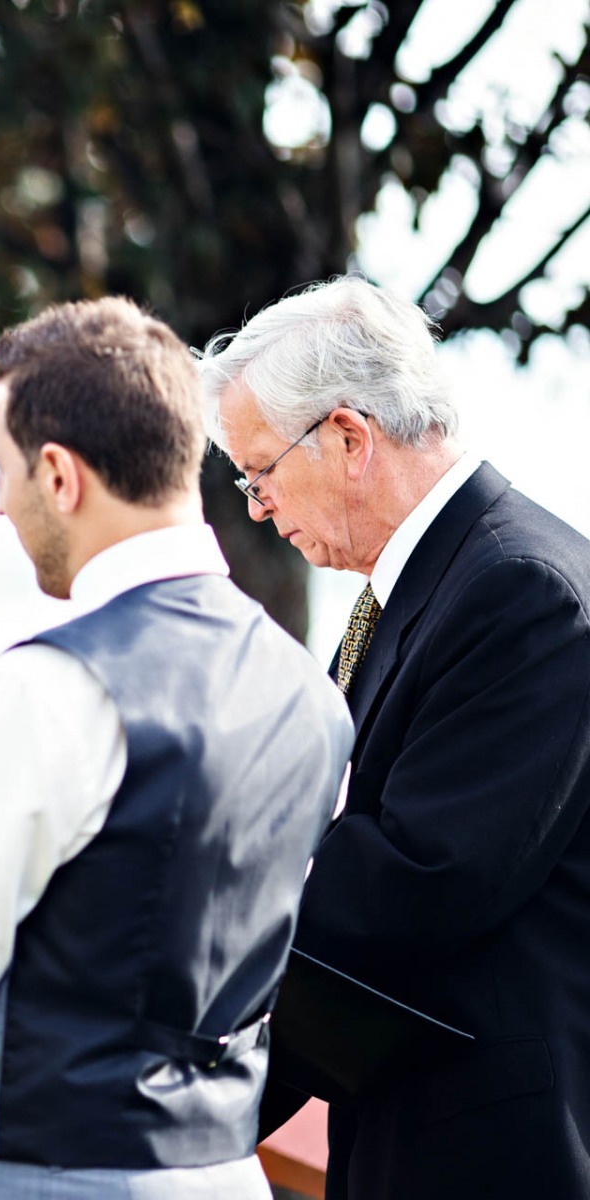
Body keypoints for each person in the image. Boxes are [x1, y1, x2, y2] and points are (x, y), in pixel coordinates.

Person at [0, 298, 354, 1199]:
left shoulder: (50, 684)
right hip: (223, 1171)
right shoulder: (312, 694)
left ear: (58, 474)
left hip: (46, 1169)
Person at [202, 276, 590, 1198]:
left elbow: (415, 882)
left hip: (499, 1157)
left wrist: (190, 1068)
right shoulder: (423, 586)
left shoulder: (523, 591)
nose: (256, 507)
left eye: (259, 473)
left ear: (347, 437)